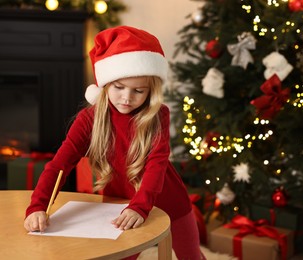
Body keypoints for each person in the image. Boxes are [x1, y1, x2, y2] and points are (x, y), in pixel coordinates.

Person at [24, 25, 205, 260]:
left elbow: (156, 165)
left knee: (191, 257)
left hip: (168, 202)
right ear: (106, 84)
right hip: (118, 205)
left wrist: (140, 207)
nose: (127, 98)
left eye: (138, 90)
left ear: (151, 92)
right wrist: (38, 206)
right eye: (119, 87)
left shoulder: (158, 115)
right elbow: (59, 165)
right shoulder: (89, 119)